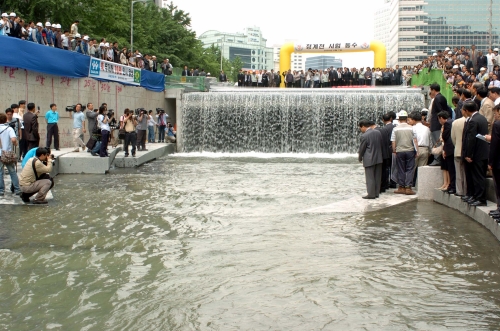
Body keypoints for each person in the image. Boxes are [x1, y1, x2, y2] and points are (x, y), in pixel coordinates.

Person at [461, 100, 490, 206]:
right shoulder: (482, 118)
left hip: (477, 153)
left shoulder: (473, 121)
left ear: (467, 110)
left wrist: (469, 154)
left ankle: (480, 198)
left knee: (478, 177)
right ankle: (475, 196)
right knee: (479, 176)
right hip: (483, 152)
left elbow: (471, 139)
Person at [391, 110, 418, 195]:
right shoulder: (411, 128)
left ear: (399, 119)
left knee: (400, 169)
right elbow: (415, 140)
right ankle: (408, 188)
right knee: (410, 169)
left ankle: (401, 187)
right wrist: (417, 150)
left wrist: (394, 150)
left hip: (400, 151)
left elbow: (393, 141)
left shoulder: (395, 129)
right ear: (407, 119)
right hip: (410, 150)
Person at [358, 119, 384, 199]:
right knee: (377, 177)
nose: (360, 129)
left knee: (370, 177)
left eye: (360, 128)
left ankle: (371, 194)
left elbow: (362, 148)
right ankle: (376, 193)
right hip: (379, 158)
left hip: (369, 158)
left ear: (363, 126)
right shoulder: (378, 132)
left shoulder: (364, 136)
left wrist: (360, 157)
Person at [427, 83, 450, 166]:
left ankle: (437, 159)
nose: (430, 91)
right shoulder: (442, 97)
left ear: (433, 90)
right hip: (438, 123)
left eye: (431, 90)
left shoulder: (437, 99)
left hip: (436, 124)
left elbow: (440, 111)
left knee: (437, 141)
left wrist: (439, 120)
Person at [0, 113, 21, 196]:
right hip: (7, 154)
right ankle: (17, 189)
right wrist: (15, 143)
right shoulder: (9, 129)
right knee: (12, 171)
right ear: (6, 119)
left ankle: (1, 190)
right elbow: (13, 139)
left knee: (0, 172)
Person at [408, 111, 431, 187]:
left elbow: (412, 140)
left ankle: (409, 186)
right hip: (425, 149)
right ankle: (420, 187)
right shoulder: (427, 128)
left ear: (414, 120)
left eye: (410, 120)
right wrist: (429, 151)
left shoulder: (412, 128)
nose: (409, 122)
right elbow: (430, 140)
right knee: (422, 170)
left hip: (415, 150)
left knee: (412, 169)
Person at [451, 106, 467, 197]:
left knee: (459, 172)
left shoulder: (456, 122)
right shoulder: (473, 120)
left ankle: (460, 191)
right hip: (469, 152)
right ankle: (467, 191)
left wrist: (457, 145)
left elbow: (453, 137)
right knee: (467, 173)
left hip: (457, 150)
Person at [487, 105, 500, 221]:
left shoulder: (497, 125)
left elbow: (495, 146)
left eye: (495, 113)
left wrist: (490, 162)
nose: (495, 116)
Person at [438, 111, 456, 194]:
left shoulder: (447, 124)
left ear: (441, 118)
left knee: (450, 168)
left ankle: (451, 186)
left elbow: (444, 136)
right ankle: (449, 185)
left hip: (449, 149)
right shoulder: (452, 121)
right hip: (452, 148)